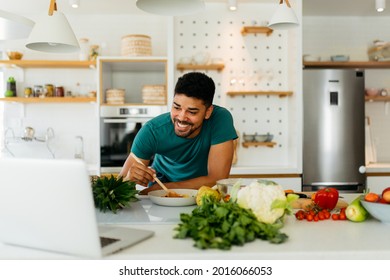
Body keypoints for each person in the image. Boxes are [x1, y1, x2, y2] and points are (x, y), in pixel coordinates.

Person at [119, 72, 238, 194]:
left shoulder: (220, 119)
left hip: (199, 192)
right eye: (176, 107)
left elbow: (217, 179)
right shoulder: (152, 131)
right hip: (162, 192)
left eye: (192, 112)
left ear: (208, 112)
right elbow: (118, 189)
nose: (181, 117)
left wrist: (163, 188)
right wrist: (128, 179)